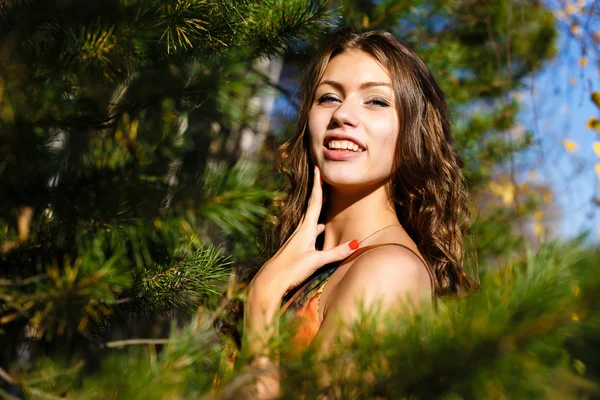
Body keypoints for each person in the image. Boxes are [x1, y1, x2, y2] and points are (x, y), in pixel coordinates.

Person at [242, 27, 475, 397]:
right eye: (329, 97)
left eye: (376, 101)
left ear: (413, 134)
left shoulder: (389, 273)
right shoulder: (296, 264)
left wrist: (260, 304)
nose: (343, 114)